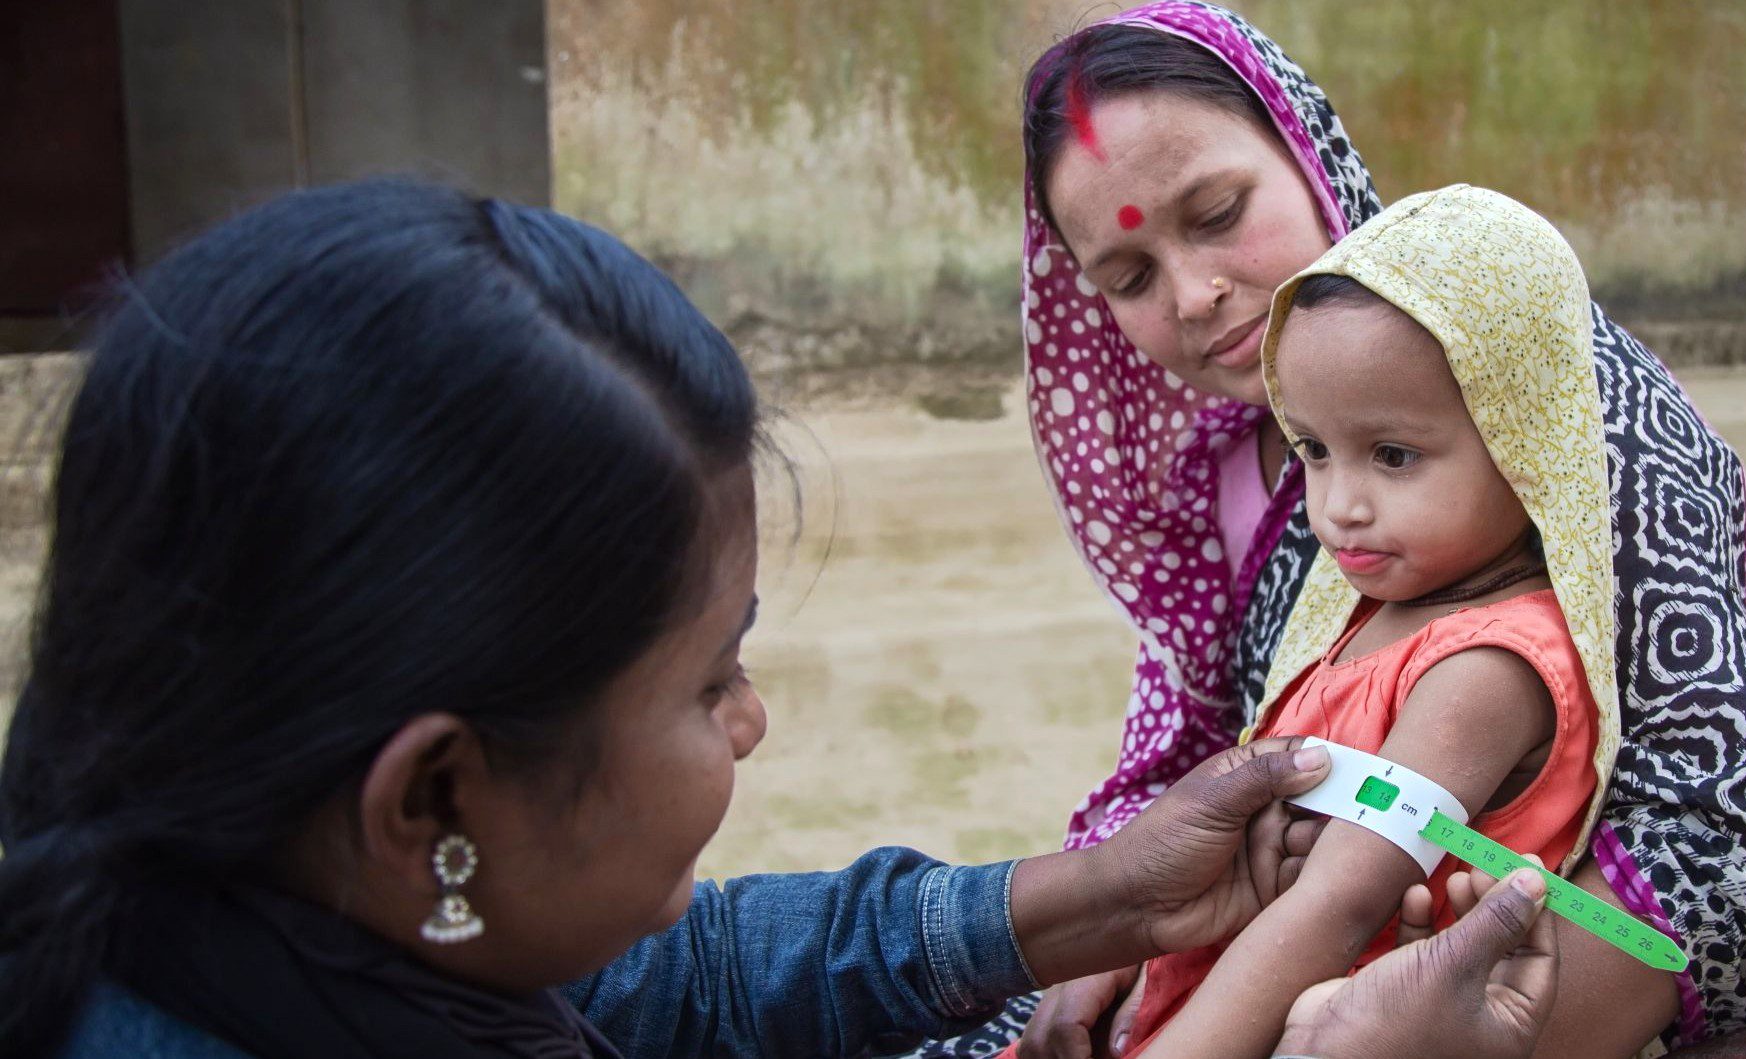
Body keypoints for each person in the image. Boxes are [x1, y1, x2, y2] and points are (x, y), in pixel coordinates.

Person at [0, 179, 1570, 1059]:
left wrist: (1098, 899)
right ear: (435, 799)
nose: (751, 719)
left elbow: (658, 988)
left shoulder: (269, 897)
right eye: (705, 683)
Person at [996, 5, 1746, 1055]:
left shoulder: (1563, 404)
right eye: (1128, 279)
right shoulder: (1215, 477)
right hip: (1247, 959)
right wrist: (1106, 936)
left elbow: (1714, 861)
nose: (1194, 292)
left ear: (1306, 150)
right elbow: (1208, 751)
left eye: (1217, 212)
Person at [1097, 185, 1616, 1058]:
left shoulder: (1487, 669)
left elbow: (1338, 904)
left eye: (1394, 455)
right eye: (1314, 451)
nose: (1338, 506)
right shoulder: (1365, 608)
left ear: (1523, 433)